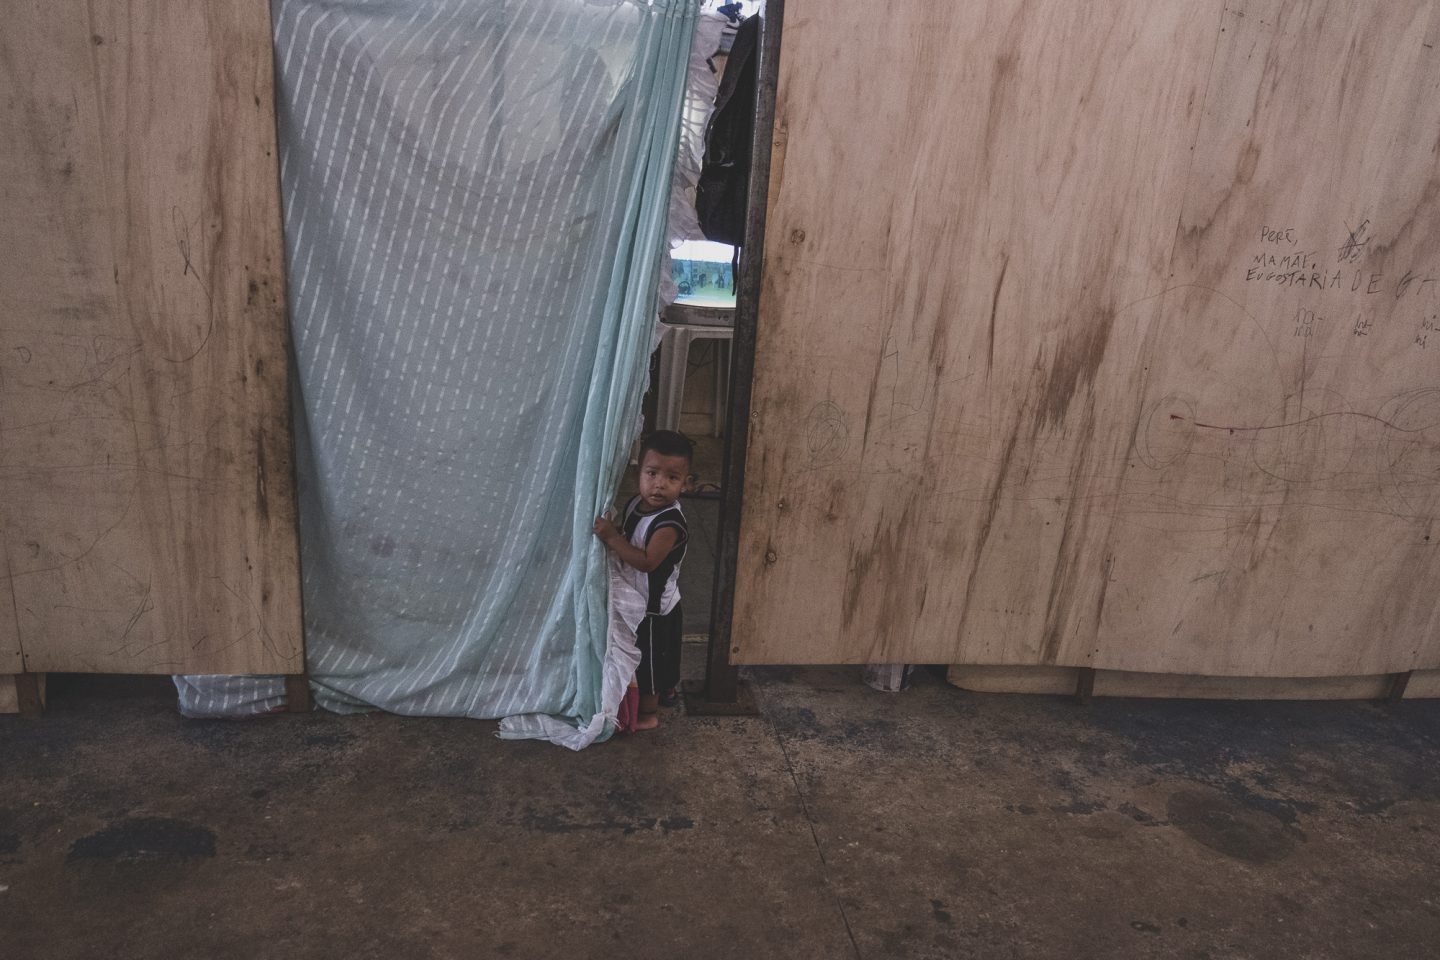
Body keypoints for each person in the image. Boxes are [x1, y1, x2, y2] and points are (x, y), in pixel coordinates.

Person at [593, 430, 692, 730]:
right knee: (663, 655)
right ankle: (669, 690)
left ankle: (648, 713)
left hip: (654, 608)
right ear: (640, 472)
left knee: (649, 660)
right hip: (641, 599)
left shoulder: (669, 524)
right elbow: (632, 530)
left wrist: (612, 538)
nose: (659, 484)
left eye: (672, 478)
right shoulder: (638, 503)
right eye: (652, 473)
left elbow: (648, 562)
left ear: (685, 484)